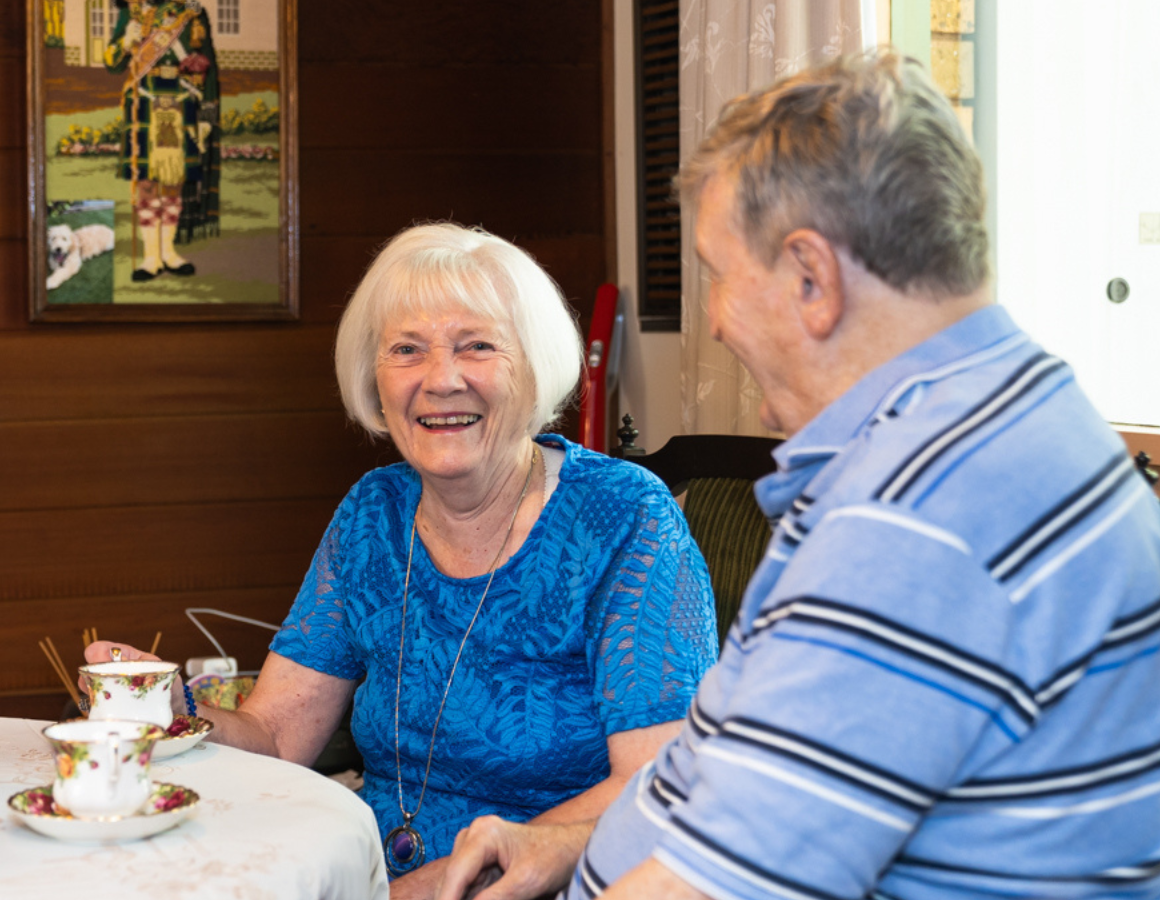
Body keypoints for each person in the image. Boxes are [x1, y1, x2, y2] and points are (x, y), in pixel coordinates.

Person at [436, 50, 1160, 900]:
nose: (715, 323)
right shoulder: (1013, 421)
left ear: (812, 277)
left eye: (720, 278)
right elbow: (754, 781)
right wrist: (574, 844)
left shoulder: (915, 523)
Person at [88, 223, 720, 897]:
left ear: (534, 367)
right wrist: (170, 708)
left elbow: (659, 780)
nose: (441, 380)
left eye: (477, 346)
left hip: (547, 881)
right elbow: (274, 737)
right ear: (375, 378)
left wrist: (418, 889)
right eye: (407, 350)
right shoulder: (374, 513)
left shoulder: (621, 516)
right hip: (370, 868)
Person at [103, 0, 220, 282]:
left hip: (181, 102)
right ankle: (150, 257)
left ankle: (168, 253)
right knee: (145, 182)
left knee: (172, 182)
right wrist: (126, 40)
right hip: (143, 102)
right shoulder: (130, 11)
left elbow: (208, 65)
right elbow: (111, 63)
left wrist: (206, 115)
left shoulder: (190, 13)